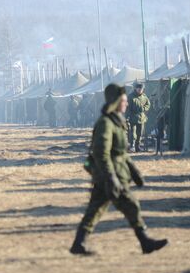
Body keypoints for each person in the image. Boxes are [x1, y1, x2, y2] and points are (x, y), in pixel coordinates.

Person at [70, 83, 167, 255]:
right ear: (115, 102)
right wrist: (112, 177)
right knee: (131, 205)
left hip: (112, 175)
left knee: (95, 211)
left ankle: (79, 244)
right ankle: (145, 242)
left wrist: (134, 172)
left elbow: (121, 152)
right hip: (109, 176)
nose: (127, 103)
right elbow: (101, 154)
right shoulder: (106, 124)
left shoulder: (117, 122)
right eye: (123, 100)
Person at [127, 82, 150, 152]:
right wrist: (127, 118)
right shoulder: (130, 97)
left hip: (141, 118)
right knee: (133, 133)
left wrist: (144, 109)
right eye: (138, 89)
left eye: (141, 89)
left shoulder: (145, 97)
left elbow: (148, 105)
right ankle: (132, 146)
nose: (140, 90)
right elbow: (127, 108)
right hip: (132, 117)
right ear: (136, 89)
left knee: (139, 133)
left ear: (143, 89)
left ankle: (138, 146)